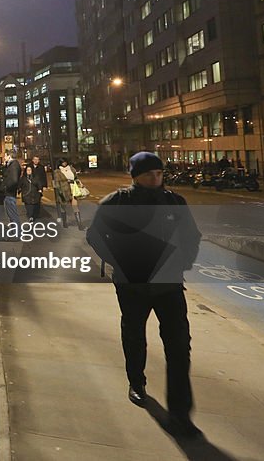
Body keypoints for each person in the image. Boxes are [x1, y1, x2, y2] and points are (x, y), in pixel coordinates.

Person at [86, 151, 203, 438]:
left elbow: (192, 235)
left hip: (169, 284)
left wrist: (183, 262)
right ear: (136, 175)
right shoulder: (118, 202)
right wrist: (120, 262)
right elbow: (94, 235)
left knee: (178, 346)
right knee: (135, 333)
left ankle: (180, 413)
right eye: (149, 174)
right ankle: (136, 383)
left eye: (159, 173)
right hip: (133, 284)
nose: (155, 178)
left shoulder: (175, 202)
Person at [53, 159, 82, 228]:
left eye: (65, 162)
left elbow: (76, 178)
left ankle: (80, 224)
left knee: (75, 206)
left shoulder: (71, 169)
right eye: (63, 162)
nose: (64, 163)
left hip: (72, 188)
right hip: (63, 190)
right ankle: (65, 223)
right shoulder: (57, 171)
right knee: (64, 207)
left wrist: (79, 183)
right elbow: (56, 183)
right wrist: (59, 191)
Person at [0, 151, 23, 226]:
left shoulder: (14, 165)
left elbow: (14, 180)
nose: (4, 158)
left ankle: (18, 233)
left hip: (10, 193)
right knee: (11, 215)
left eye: (5, 156)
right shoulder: (11, 165)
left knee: (13, 215)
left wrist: (6, 187)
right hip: (9, 193)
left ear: (9, 156)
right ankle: (15, 232)